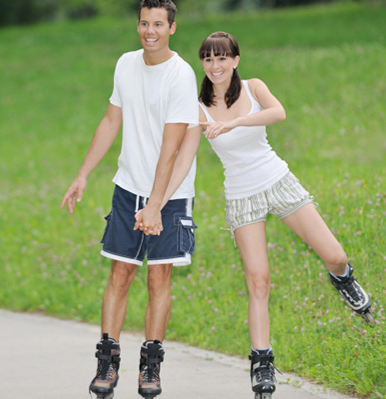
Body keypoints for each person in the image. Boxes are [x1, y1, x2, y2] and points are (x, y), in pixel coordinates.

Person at [160, 31, 374, 398]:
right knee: (258, 282)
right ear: (203, 64)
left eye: (222, 57)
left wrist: (234, 123)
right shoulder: (198, 108)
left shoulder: (254, 88)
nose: (216, 65)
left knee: (336, 255)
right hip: (242, 197)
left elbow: (279, 113)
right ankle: (262, 362)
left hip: (278, 180)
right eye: (209, 59)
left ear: (236, 61)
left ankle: (344, 280)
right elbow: (185, 157)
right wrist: (159, 199)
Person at [60, 1, 200, 398]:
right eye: (144, 23)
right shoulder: (125, 64)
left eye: (158, 24)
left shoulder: (181, 75)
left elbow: (171, 148)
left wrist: (155, 204)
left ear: (172, 27)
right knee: (120, 274)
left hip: (170, 194)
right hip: (128, 188)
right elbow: (110, 120)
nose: (149, 31)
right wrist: (83, 173)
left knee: (159, 277)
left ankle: (150, 366)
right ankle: (107, 362)